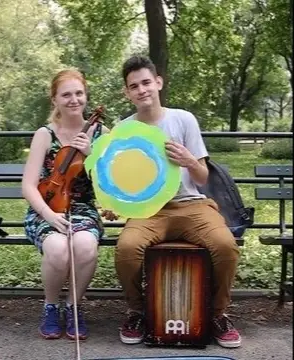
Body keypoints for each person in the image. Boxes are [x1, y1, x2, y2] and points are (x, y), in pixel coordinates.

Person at [114, 55, 241, 348]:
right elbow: (122, 182)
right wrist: (117, 204)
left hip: (193, 206)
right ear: (127, 92)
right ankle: (137, 311)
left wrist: (188, 160)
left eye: (146, 82)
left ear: (158, 83)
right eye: (134, 86)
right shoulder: (123, 129)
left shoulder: (183, 119)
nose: (142, 89)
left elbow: (201, 178)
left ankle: (218, 314)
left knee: (225, 247)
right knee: (126, 249)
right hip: (148, 210)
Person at [22, 69, 109, 340]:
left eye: (79, 93)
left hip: (82, 207)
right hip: (46, 207)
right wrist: (49, 216)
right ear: (55, 100)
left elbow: (108, 184)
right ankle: (50, 306)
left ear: (86, 96)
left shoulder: (102, 133)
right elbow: (28, 185)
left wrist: (91, 155)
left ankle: (73, 305)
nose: (74, 100)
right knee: (58, 249)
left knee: (84, 246)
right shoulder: (45, 134)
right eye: (66, 94)